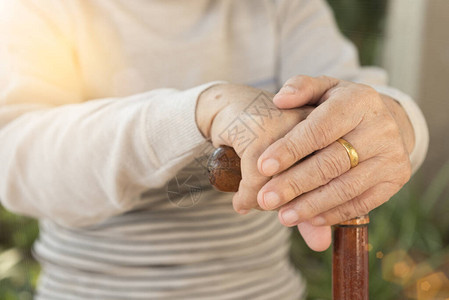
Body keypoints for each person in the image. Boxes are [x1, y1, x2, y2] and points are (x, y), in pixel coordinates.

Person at [0, 0, 428, 299]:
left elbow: (366, 100)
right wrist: (197, 112)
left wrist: (391, 121)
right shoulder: (42, 9)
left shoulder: (280, 6)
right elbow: (17, 159)